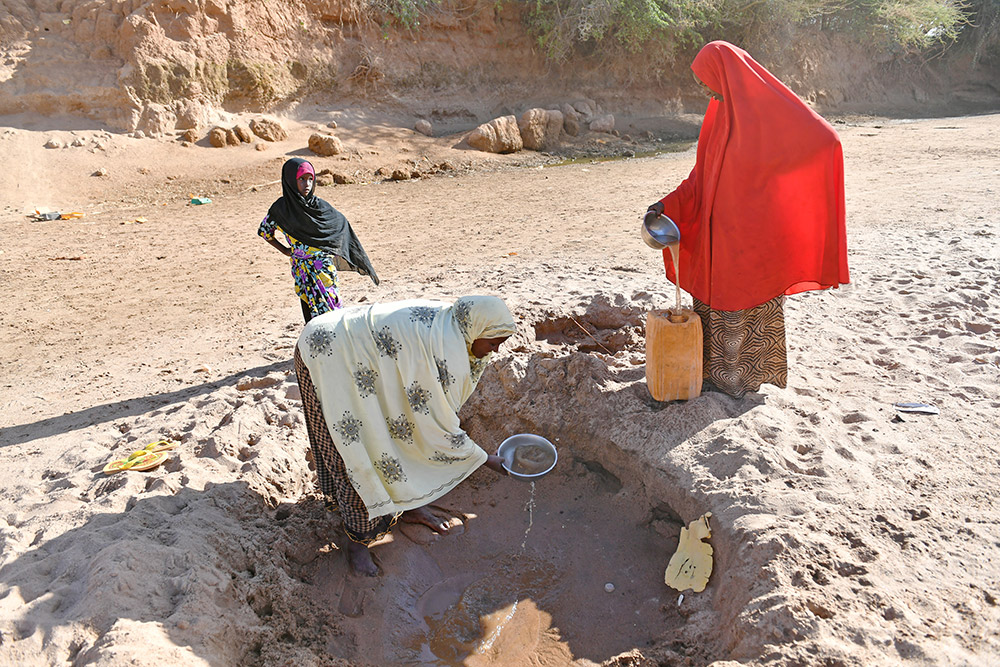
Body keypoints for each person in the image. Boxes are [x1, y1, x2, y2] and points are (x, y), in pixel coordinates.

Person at [645, 40, 849, 398]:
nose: (705, 89)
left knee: (749, 305)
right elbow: (700, 177)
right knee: (716, 304)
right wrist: (666, 205)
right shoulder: (718, 114)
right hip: (718, 234)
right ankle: (715, 377)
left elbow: (824, 139)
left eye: (707, 80)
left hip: (754, 237)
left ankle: (751, 381)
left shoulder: (769, 112)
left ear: (724, 75)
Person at [293, 295, 517, 575]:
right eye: (493, 342)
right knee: (355, 455)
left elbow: (418, 424)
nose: (495, 350)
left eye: (501, 343)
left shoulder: (456, 328)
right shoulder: (444, 349)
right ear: (475, 329)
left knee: (402, 437)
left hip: (366, 359)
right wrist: (487, 460)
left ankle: (409, 507)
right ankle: (358, 544)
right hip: (328, 353)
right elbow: (438, 428)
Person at [258, 158, 379, 323]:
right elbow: (265, 232)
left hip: (323, 271)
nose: (307, 184)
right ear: (290, 180)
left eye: (310, 179)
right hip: (302, 271)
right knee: (310, 317)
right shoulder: (281, 209)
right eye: (301, 179)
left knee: (331, 313)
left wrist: (331, 248)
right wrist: (286, 250)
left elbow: (340, 224)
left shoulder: (319, 207)